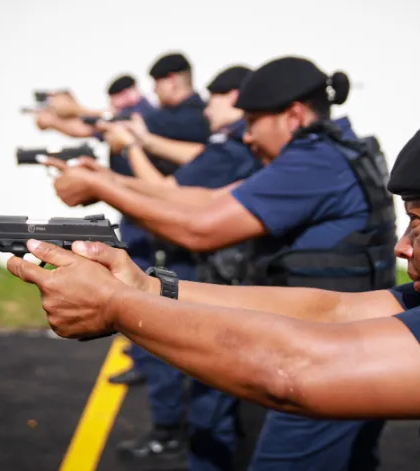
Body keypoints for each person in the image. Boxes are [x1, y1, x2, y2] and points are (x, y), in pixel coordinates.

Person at [9, 102, 420, 471]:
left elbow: (295, 372)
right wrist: (149, 288)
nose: (403, 245)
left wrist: (119, 308)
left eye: (418, 220)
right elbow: (327, 311)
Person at [41, 56, 396, 470]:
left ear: (294, 116)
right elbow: (210, 200)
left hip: (324, 358)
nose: (245, 137)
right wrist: (109, 180)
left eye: (252, 122)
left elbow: (199, 227)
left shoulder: (312, 161)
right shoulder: (333, 151)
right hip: (341, 345)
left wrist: (104, 188)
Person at [46, 64, 260, 471]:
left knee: (200, 369)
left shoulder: (227, 143)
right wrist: (110, 172)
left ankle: (181, 441)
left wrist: (115, 168)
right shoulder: (224, 141)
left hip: (206, 265)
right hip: (207, 265)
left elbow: (176, 196)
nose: (206, 109)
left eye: (214, 99)